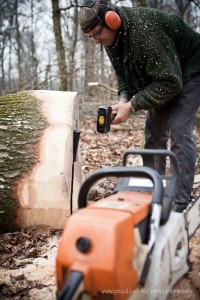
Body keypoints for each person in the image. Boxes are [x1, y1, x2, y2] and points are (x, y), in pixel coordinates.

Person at [79, 0, 200, 213]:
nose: (96, 41)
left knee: (179, 128)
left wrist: (133, 105)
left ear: (112, 21)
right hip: (165, 74)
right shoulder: (112, 41)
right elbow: (121, 73)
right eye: (91, 37)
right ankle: (154, 192)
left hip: (191, 69)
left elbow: (172, 82)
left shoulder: (145, 33)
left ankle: (180, 203)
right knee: (153, 132)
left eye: (97, 34)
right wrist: (124, 98)